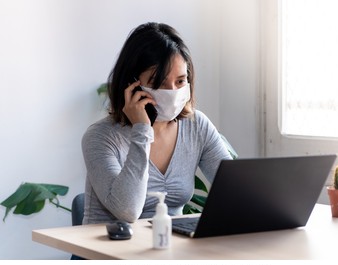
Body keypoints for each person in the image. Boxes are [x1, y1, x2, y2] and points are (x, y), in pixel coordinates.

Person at [81, 22, 232, 224]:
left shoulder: (197, 125)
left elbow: (236, 191)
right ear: (132, 84)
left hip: (168, 248)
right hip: (106, 251)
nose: (171, 91)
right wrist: (142, 130)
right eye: (159, 83)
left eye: (180, 81)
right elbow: (127, 211)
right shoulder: (100, 136)